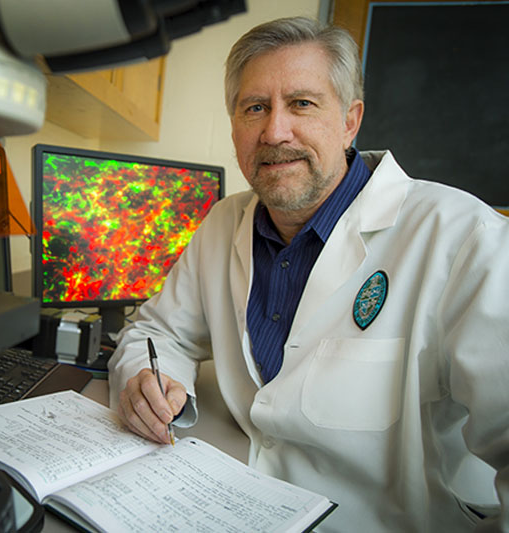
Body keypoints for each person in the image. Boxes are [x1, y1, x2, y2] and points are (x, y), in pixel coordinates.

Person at [107, 16, 509, 533]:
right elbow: (155, 332)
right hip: (230, 504)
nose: (275, 131)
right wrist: (150, 378)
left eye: (302, 103)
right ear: (234, 128)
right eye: (255, 108)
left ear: (349, 120)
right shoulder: (223, 222)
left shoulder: (461, 236)